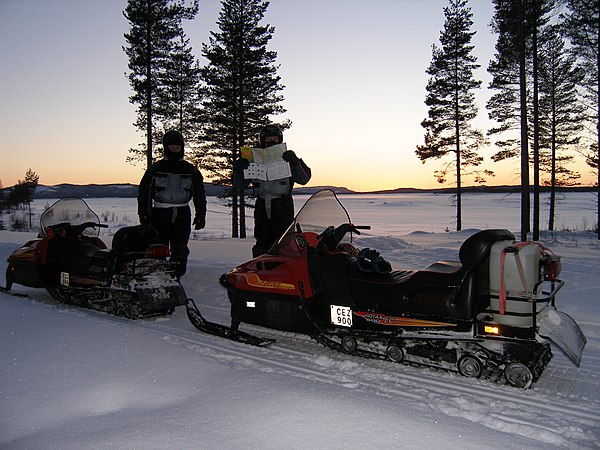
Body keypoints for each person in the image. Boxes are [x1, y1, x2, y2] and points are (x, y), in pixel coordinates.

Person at [234, 124, 311, 257]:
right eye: (268, 139)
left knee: (283, 242)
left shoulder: (288, 157)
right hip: (262, 204)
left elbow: (304, 179)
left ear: (279, 139)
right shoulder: (254, 158)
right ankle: (261, 272)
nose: (271, 142)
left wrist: (295, 163)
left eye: (274, 139)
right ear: (262, 140)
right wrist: (239, 170)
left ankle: (284, 273)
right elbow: (240, 185)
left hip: (282, 205)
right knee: (262, 241)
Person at [137, 130, 206, 278]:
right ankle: (159, 276)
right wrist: (143, 213)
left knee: (180, 248)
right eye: (172, 146)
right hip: (160, 213)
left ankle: (175, 277)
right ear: (165, 147)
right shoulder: (156, 168)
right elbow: (144, 192)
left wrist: (201, 214)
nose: (175, 149)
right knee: (158, 247)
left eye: (178, 146)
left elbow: (200, 193)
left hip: (182, 213)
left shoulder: (190, 169)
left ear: (182, 147)